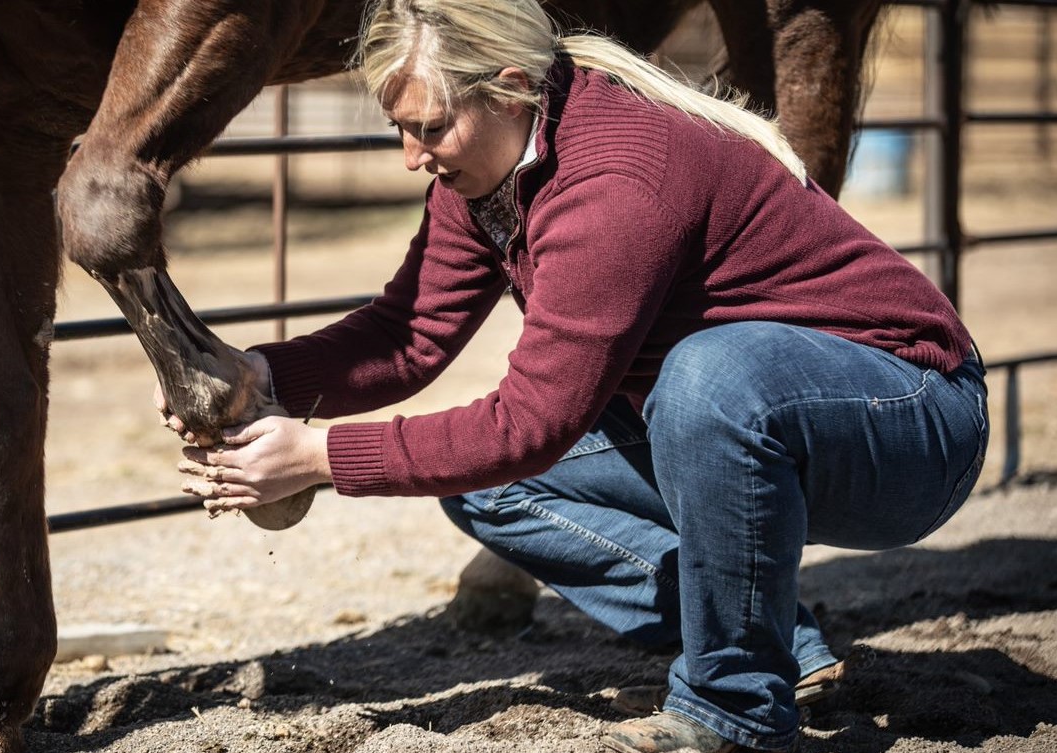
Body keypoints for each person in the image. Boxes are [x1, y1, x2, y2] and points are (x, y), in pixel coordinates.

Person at [165, 0, 990, 750]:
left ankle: (732, 707)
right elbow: (410, 331)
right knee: (488, 484)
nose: (412, 157)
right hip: (736, 417)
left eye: (428, 127)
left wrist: (318, 459)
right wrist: (257, 373)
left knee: (706, 375)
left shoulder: (615, 180)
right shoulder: (488, 162)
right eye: (399, 129)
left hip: (909, 417)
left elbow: (533, 422)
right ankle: (774, 638)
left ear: (511, 87)